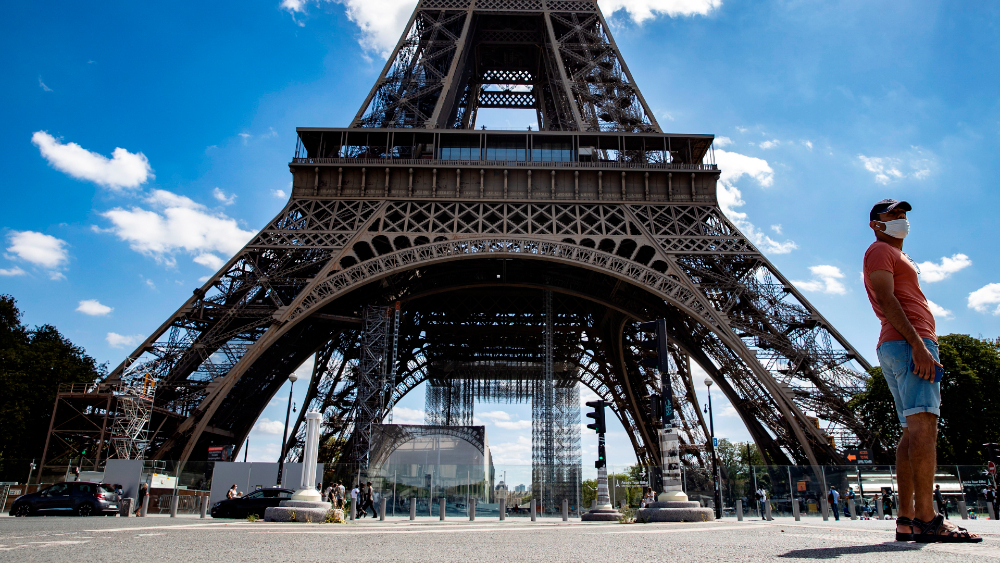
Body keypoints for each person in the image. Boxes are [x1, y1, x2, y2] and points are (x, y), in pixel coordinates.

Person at [863, 199, 981, 543]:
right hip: (908, 343)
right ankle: (929, 519)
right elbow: (886, 297)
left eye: (903, 215)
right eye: (892, 215)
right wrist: (918, 345)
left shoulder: (895, 255)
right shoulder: (880, 251)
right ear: (875, 224)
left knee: (910, 432)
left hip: (897, 344)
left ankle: (907, 520)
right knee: (925, 426)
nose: (901, 219)